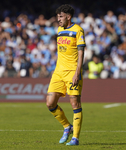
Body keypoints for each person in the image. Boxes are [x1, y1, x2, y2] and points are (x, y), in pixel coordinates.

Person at [46, 4, 86, 146]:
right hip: (58, 72)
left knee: (75, 103)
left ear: (68, 17)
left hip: (72, 72)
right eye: (58, 17)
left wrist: (77, 73)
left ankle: (75, 138)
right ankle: (67, 126)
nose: (58, 19)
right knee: (50, 103)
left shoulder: (78, 30)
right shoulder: (59, 30)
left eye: (61, 16)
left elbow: (81, 53)